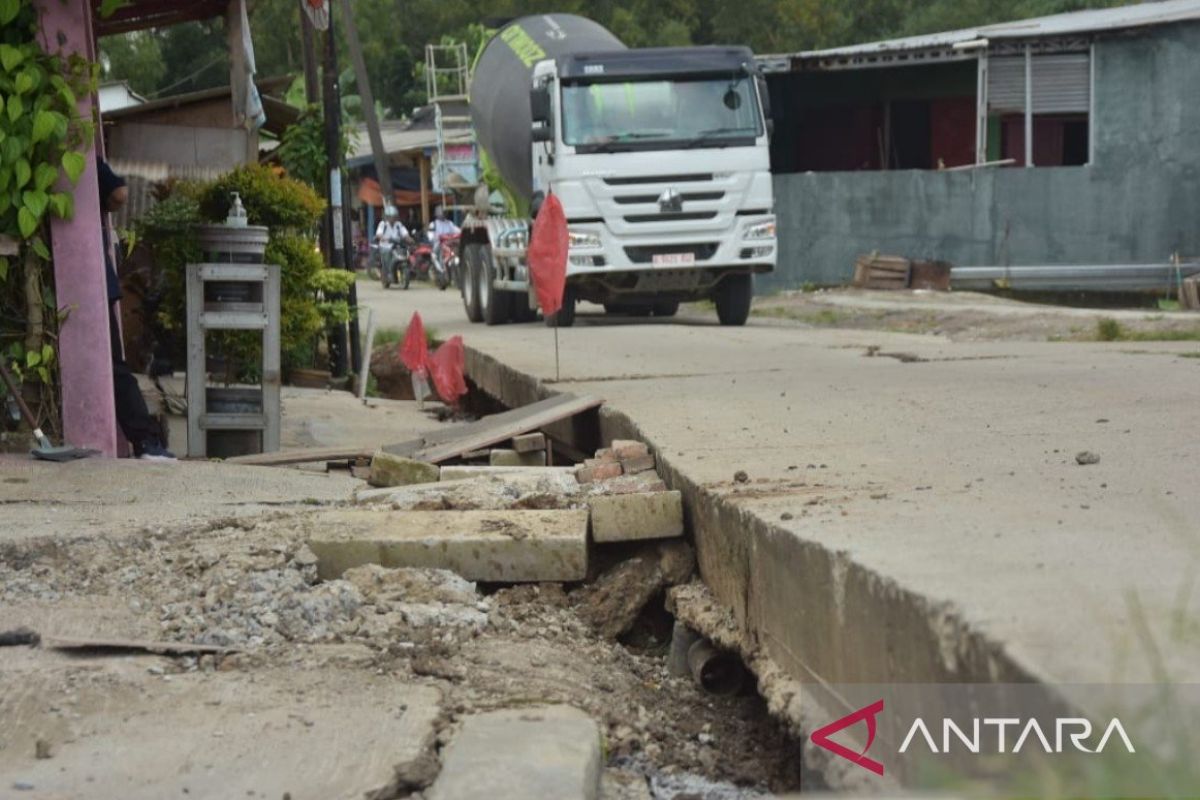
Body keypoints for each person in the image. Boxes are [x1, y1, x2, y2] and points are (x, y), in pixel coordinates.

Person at [98, 160, 175, 460]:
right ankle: (144, 441)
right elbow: (120, 194)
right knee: (113, 365)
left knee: (109, 366)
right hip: (92, 279)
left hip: (65, 278)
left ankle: (143, 439)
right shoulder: (85, 156)